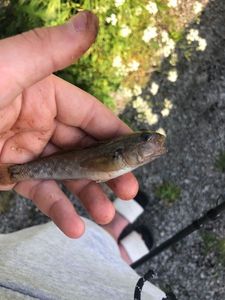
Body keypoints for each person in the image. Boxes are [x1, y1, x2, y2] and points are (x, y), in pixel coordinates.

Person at [0, 11, 166, 299]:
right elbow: (94, 162)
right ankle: (113, 251)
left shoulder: (120, 155)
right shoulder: (116, 154)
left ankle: (110, 246)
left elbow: (94, 163)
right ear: (125, 150)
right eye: (145, 138)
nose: (151, 141)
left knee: (95, 219)